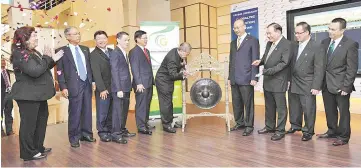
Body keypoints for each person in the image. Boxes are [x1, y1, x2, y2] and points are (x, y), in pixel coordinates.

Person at [10, 26, 64, 160]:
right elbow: (34, 71)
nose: (37, 38)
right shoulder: (20, 53)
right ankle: (28, 153)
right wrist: (47, 57)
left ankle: (37, 147)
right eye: (34, 35)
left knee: (40, 122)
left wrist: (52, 60)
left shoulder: (32, 51)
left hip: (38, 94)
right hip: (28, 95)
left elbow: (41, 67)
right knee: (29, 125)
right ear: (25, 38)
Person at [318, 18, 359, 146]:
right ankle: (332, 131)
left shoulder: (350, 44)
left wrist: (346, 87)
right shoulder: (324, 42)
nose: (330, 31)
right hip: (326, 84)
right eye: (329, 28)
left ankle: (344, 136)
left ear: (342, 30)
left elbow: (352, 68)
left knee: (344, 112)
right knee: (329, 110)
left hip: (341, 85)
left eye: (333, 29)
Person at [56, 26, 96, 148]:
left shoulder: (85, 49)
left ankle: (86, 134)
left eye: (78, 33)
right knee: (75, 111)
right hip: (73, 85)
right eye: (75, 34)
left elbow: (89, 67)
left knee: (87, 110)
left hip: (87, 83)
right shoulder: (62, 51)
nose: (78, 36)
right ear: (68, 37)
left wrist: (93, 81)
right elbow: (60, 71)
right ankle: (74, 137)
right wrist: (63, 86)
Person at [252, 23, 292, 141]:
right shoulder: (270, 43)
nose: (268, 35)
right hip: (268, 80)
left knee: (281, 108)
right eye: (267, 33)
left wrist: (268, 71)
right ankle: (270, 126)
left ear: (278, 32)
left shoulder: (287, 44)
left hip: (278, 81)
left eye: (270, 33)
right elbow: (266, 57)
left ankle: (280, 131)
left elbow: (284, 63)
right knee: (269, 106)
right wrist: (260, 61)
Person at [287, 22, 326, 141]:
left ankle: (308, 131)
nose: (297, 35)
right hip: (294, 81)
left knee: (308, 108)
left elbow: (319, 68)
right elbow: (290, 64)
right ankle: (295, 125)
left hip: (307, 82)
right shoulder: (294, 45)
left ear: (307, 32)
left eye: (299, 33)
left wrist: (316, 86)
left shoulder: (317, 46)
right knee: (294, 106)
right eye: (296, 33)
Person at [228, 19, 260, 136]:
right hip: (234, 79)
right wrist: (229, 77)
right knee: (236, 103)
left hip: (247, 78)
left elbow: (255, 59)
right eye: (234, 28)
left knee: (248, 104)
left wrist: (254, 78)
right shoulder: (232, 43)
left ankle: (249, 125)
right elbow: (231, 62)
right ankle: (239, 122)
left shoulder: (253, 41)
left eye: (238, 27)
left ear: (244, 27)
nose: (236, 30)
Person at [155, 42, 191, 133]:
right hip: (163, 81)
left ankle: (169, 122)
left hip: (167, 81)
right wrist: (183, 75)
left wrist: (182, 65)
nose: (187, 56)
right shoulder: (172, 58)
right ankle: (166, 125)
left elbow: (176, 67)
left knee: (168, 102)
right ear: (182, 51)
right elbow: (173, 75)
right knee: (165, 103)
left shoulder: (176, 51)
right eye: (187, 54)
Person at [110, 31, 136, 143]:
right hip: (119, 87)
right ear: (118, 40)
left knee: (124, 110)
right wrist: (118, 88)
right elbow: (114, 71)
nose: (127, 42)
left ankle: (122, 129)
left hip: (126, 86)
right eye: (125, 40)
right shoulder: (115, 52)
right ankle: (116, 134)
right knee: (117, 111)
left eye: (128, 40)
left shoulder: (123, 52)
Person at [129, 30, 155, 135]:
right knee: (141, 105)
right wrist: (138, 83)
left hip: (148, 82)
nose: (146, 40)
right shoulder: (134, 51)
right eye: (144, 38)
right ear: (137, 39)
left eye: (146, 38)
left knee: (147, 104)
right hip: (141, 84)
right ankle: (141, 127)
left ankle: (145, 123)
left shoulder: (146, 50)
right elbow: (134, 68)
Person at [90, 30, 113, 142]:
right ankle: (102, 132)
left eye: (103, 38)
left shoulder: (112, 52)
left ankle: (110, 130)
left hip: (114, 87)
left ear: (107, 39)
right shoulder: (93, 55)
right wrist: (102, 89)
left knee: (111, 111)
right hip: (103, 89)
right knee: (102, 111)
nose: (102, 41)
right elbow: (96, 73)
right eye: (99, 39)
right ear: (95, 41)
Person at [1, 58, 14, 136]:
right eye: (1, 61)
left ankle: (9, 130)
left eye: (4, 61)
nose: (3, 62)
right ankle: (1, 131)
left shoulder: (7, 72)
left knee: (8, 112)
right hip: (1, 95)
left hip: (9, 94)